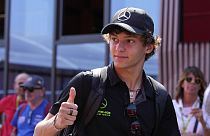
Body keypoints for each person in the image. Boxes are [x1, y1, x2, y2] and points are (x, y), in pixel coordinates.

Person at [34, 7, 180, 136]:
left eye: (129, 40)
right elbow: (38, 133)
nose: (119, 47)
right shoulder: (86, 83)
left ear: (148, 46)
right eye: (114, 39)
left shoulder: (159, 96)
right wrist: (57, 123)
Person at [172, 66, 210, 136]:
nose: (193, 82)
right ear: (182, 83)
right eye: (189, 79)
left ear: (200, 86)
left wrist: (203, 122)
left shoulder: (206, 108)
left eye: (197, 81)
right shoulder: (172, 105)